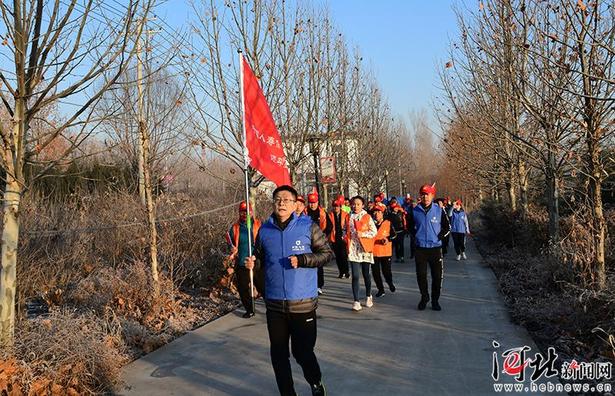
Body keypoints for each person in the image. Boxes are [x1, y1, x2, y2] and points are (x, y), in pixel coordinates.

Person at [245, 185, 332, 396]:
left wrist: (303, 259)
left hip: (302, 303)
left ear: (295, 204)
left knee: (302, 353)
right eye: (277, 199)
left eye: (286, 199)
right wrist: (252, 264)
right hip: (274, 303)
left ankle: (316, 382)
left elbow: (327, 254)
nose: (281, 203)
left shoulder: (308, 227)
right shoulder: (264, 230)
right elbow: (260, 259)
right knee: (278, 354)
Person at [407, 184, 450, 311]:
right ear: (420, 195)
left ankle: (435, 300)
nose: (426, 197)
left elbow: (447, 227)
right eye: (423, 194)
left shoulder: (438, 210)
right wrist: (416, 237)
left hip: (435, 248)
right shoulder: (414, 210)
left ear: (432, 195)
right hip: (421, 249)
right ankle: (424, 297)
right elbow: (409, 226)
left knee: (437, 276)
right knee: (421, 275)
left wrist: (439, 237)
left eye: (428, 194)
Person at [226, 201, 263, 318]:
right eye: (242, 212)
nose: (244, 214)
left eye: (247, 212)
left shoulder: (258, 225)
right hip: (242, 261)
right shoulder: (235, 228)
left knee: (263, 286)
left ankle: (273, 307)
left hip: (256, 261)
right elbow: (230, 243)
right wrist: (232, 248)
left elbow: (264, 243)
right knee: (242, 288)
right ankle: (249, 309)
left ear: (251, 212)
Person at [344, 195, 377, 311]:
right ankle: (356, 301)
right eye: (353, 204)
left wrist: (363, 234)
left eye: (358, 204)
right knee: (355, 276)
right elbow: (344, 230)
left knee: (366, 274)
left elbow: (374, 232)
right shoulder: (348, 217)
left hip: (365, 249)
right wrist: (345, 236)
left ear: (362, 205)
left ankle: (368, 295)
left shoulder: (367, 217)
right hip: (353, 250)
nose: (355, 206)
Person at [306, 192, 330, 295]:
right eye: (310, 203)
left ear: (317, 202)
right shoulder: (305, 212)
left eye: (314, 202)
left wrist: (323, 236)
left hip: (319, 241)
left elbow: (329, 226)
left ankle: (319, 285)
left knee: (319, 264)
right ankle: (309, 284)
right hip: (307, 241)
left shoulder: (323, 213)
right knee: (308, 263)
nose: (312, 205)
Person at [372, 202, 396, 297]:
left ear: (382, 213)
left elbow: (394, 235)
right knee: (375, 273)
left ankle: (390, 283)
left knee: (386, 272)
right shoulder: (370, 224)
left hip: (385, 252)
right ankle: (380, 289)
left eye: (378, 212)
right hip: (373, 252)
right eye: (375, 212)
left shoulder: (388, 223)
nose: (376, 214)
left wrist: (388, 239)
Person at [327, 197, 350, 278]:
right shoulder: (330, 215)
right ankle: (341, 272)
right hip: (334, 238)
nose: (336, 208)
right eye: (334, 206)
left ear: (340, 206)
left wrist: (347, 236)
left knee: (343, 256)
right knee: (338, 257)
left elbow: (348, 226)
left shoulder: (345, 215)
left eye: (337, 206)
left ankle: (346, 271)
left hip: (343, 238)